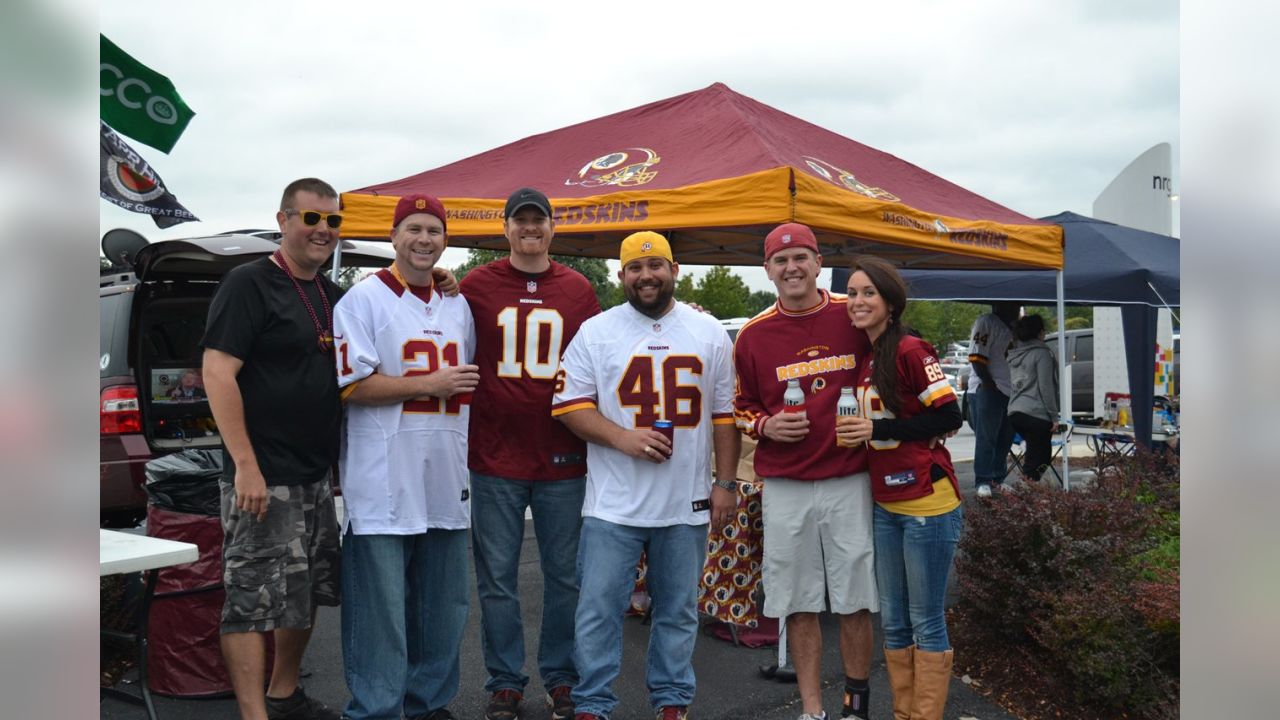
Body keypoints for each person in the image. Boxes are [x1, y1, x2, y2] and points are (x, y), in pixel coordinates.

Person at [551, 231, 739, 720]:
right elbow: (569, 406)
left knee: (678, 612)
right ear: (622, 276)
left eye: (656, 265)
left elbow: (724, 415)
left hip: (685, 500)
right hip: (613, 502)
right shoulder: (596, 331)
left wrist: (725, 482)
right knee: (598, 611)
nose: (646, 275)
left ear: (675, 271)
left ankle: (672, 701)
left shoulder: (709, 332)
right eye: (635, 268)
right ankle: (593, 703)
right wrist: (622, 438)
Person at [201, 178, 347, 720]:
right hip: (263, 475)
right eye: (312, 219)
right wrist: (245, 466)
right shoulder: (249, 283)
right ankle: (253, 714)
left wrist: (443, 281)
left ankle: (285, 695)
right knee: (251, 599)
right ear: (283, 219)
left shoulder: (331, 295)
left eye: (332, 221)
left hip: (314, 475)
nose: (323, 231)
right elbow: (217, 373)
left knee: (303, 592)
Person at [333, 194, 478, 720]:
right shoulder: (362, 300)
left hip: (444, 474)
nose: (424, 239)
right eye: (413, 229)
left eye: (434, 231)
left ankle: (428, 706)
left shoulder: (457, 304)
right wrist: (430, 381)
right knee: (381, 616)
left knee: (443, 610)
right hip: (383, 481)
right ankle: (375, 710)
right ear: (393, 236)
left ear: (446, 241)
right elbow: (350, 386)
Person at [458, 187, 601, 720]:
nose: (529, 229)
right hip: (494, 455)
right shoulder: (476, 285)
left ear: (551, 228)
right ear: (506, 228)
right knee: (497, 578)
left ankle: (561, 677)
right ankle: (505, 681)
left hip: (562, 455)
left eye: (537, 220)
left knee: (566, 575)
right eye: (520, 221)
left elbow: (598, 360)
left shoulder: (579, 289)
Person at [733, 223, 877, 720]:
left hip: (848, 477)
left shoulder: (852, 313)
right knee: (797, 600)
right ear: (768, 270)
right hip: (786, 484)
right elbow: (740, 406)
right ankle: (812, 710)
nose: (792, 267)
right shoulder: (753, 334)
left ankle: (855, 706)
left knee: (856, 595)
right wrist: (766, 424)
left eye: (801, 257)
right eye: (781, 259)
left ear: (818, 263)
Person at [837, 256, 965, 720]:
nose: (857, 301)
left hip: (927, 503)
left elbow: (950, 415)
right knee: (893, 620)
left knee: (925, 619)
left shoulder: (911, 349)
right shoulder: (868, 356)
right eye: (851, 293)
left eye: (868, 292)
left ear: (891, 302)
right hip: (885, 503)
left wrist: (880, 428)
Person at [965, 301, 1020, 497]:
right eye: (1014, 304)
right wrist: (988, 383)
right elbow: (976, 356)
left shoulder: (1014, 326)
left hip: (1010, 390)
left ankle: (998, 478)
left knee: (1005, 437)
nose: (1017, 307)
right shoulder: (987, 322)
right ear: (999, 305)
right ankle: (983, 480)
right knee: (987, 437)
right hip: (989, 387)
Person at [1006, 313, 1059, 484]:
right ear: (1040, 332)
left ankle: (1027, 492)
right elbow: (1046, 387)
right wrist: (1054, 416)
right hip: (1036, 412)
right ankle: (1024, 496)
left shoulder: (1014, 354)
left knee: (1035, 455)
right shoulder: (1042, 353)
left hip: (1015, 411)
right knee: (1040, 458)